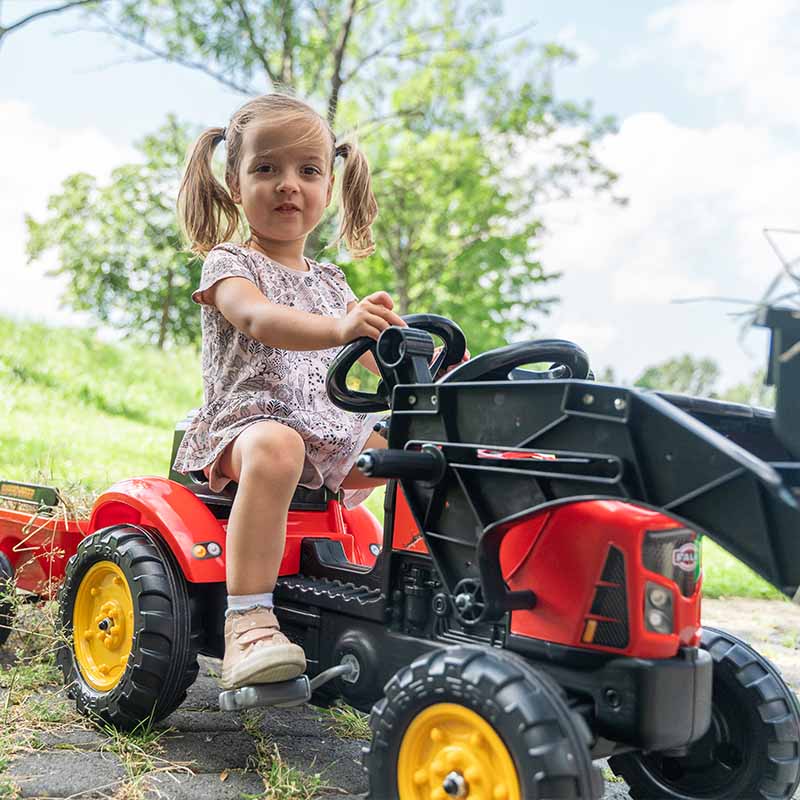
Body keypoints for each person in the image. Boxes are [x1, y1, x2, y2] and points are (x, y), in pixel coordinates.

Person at [172, 93, 465, 691]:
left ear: (329, 188)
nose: (288, 186)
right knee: (281, 447)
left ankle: (435, 590)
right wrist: (340, 326)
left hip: (326, 431)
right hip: (246, 429)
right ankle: (248, 619)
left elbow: (353, 354)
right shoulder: (230, 266)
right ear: (234, 183)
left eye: (307, 171)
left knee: (424, 454)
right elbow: (259, 320)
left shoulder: (332, 282)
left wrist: (403, 349)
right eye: (266, 170)